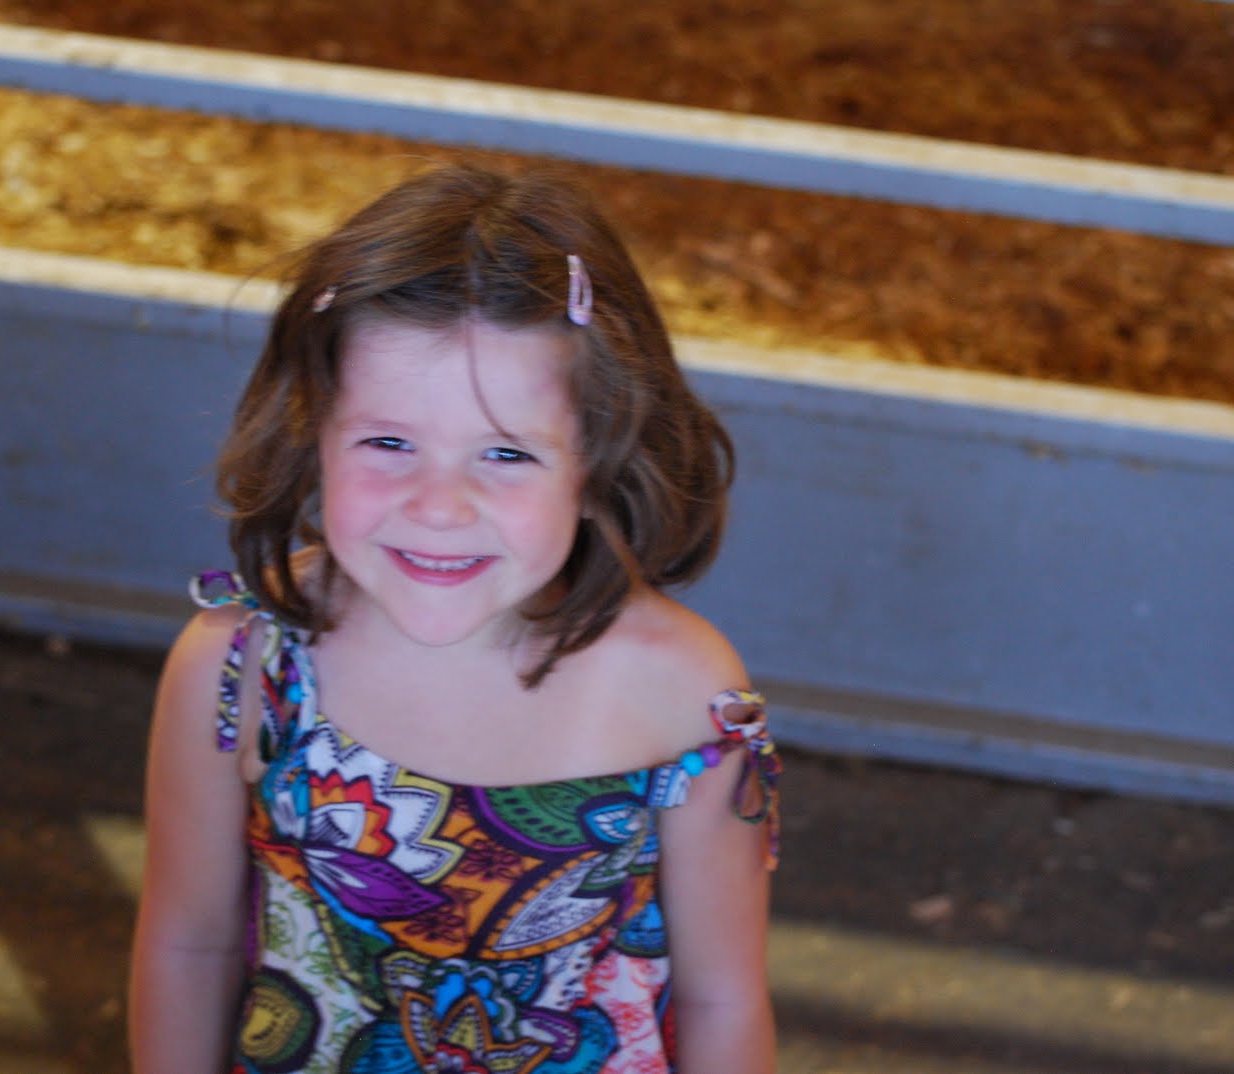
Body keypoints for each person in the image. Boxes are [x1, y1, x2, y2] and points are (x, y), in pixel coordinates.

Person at [130, 163, 782, 1074]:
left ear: (598, 462)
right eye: (388, 442)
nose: (439, 506)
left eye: (506, 454)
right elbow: (187, 945)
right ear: (313, 434)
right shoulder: (241, 665)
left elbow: (724, 999)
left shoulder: (684, 694)